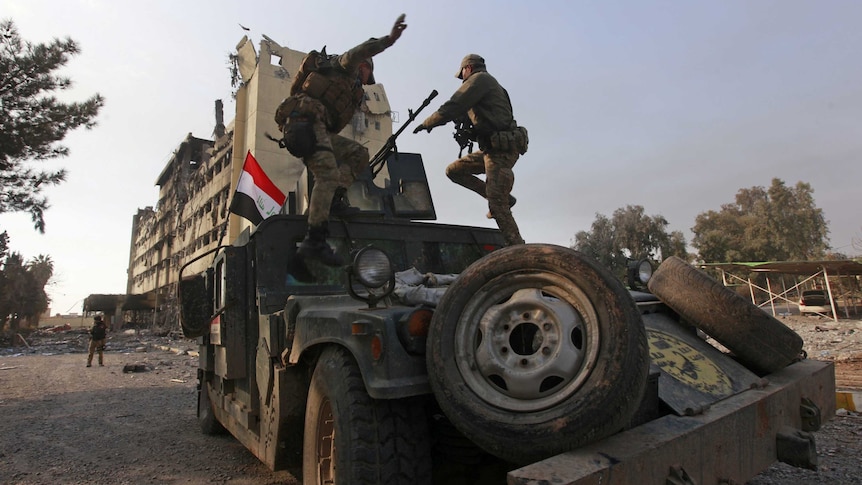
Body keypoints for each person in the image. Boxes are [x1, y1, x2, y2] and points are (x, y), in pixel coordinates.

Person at [275, 14, 408, 266]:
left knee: (359, 154)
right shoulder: (344, 64)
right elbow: (361, 49)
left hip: (319, 130)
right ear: (363, 65)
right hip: (303, 123)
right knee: (326, 175)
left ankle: (334, 198)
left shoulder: (355, 90)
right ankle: (314, 240)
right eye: (367, 70)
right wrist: (388, 40)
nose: (366, 77)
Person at [413, 54, 529, 246]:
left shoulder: (480, 80)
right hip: (491, 149)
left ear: (468, 68)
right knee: (454, 171)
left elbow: (454, 104)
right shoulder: (491, 85)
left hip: (500, 150)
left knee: (497, 206)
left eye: (462, 75)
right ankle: (505, 198)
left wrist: (428, 123)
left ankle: (518, 248)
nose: (463, 79)